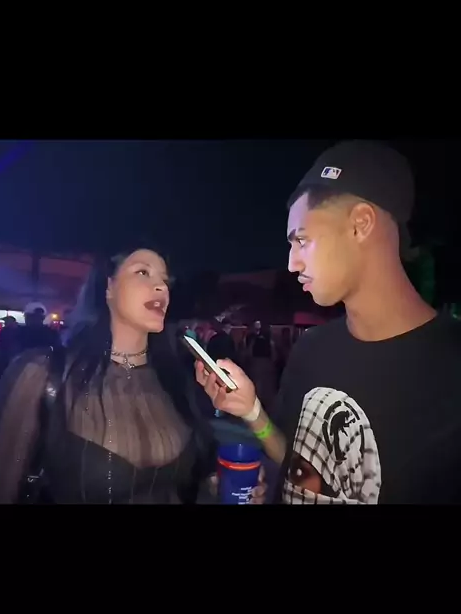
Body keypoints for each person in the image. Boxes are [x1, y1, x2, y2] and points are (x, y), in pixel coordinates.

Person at [196, 140, 461, 504]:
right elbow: (299, 463)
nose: (292, 264)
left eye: (302, 240)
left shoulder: (451, 365)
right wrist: (252, 410)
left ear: (361, 225)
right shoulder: (312, 349)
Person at [0, 246, 223, 504]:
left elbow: (199, 475)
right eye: (143, 272)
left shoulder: (175, 379)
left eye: (166, 280)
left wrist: (217, 484)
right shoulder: (42, 374)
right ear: (109, 287)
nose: (161, 287)